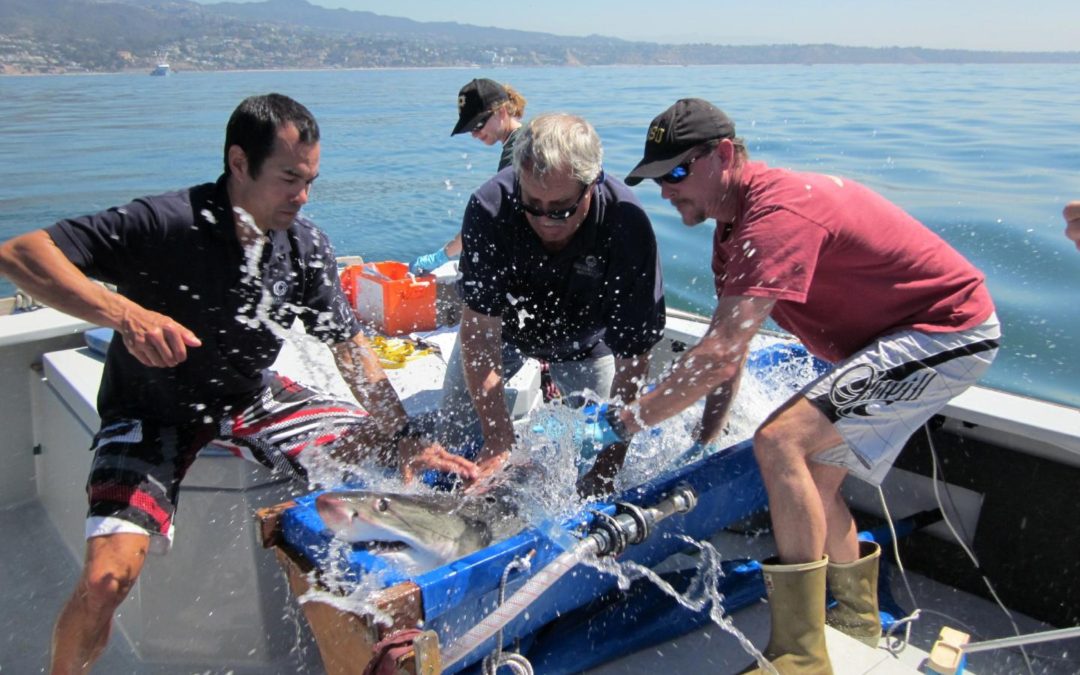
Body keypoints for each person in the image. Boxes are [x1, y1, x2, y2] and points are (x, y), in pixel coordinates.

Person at [0, 93, 478, 675]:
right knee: (106, 580)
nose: (301, 197)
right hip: (153, 411)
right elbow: (22, 253)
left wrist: (402, 433)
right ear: (238, 163)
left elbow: (351, 351)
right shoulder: (166, 223)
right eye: (288, 179)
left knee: (388, 447)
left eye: (311, 181)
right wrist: (124, 314)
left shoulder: (305, 248)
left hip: (251, 396)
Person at [601, 98, 1000, 672]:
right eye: (656, 178)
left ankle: (799, 655)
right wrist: (704, 440)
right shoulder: (732, 228)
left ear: (723, 155)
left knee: (779, 441)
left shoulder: (777, 214)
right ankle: (859, 619)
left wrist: (628, 420)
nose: (666, 188)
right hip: (893, 340)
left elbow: (714, 356)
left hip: (948, 329)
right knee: (815, 478)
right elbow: (728, 352)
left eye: (678, 172)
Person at [440, 112, 666, 495]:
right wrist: (496, 436)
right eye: (532, 204)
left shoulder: (626, 224)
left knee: (596, 459)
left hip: (585, 343)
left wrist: (608, 466)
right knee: (453, 435)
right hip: (503, 335)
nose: (545, 220)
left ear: (591, 183)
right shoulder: (489, 207)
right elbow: (478, 333)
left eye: (561, 208)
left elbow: (634, 358)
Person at [409, 78, 527, 274]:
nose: (475, 134)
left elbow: (486, 219)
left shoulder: (517, 152)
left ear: (501, 112)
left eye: (478, 124)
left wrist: (443, 255)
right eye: (470, 128)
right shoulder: (524, 139)